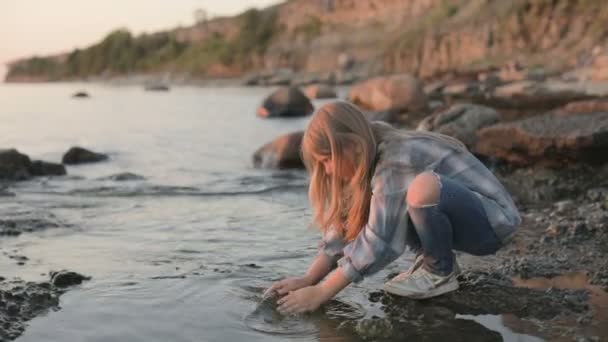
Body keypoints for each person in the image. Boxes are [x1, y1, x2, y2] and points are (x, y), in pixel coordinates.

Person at [269, 101, 521, 314]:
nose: (328, 171)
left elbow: (379, 241)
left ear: (353, 146)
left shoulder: (395, 158)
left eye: (327, 161)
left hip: (493, 222)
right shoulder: (369, 154)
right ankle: (433, 260)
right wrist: (308, 279)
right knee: (383, 204)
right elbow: (344, 228)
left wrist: (323, 292)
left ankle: (438, 270)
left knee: (422, 188)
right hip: (467, 220)